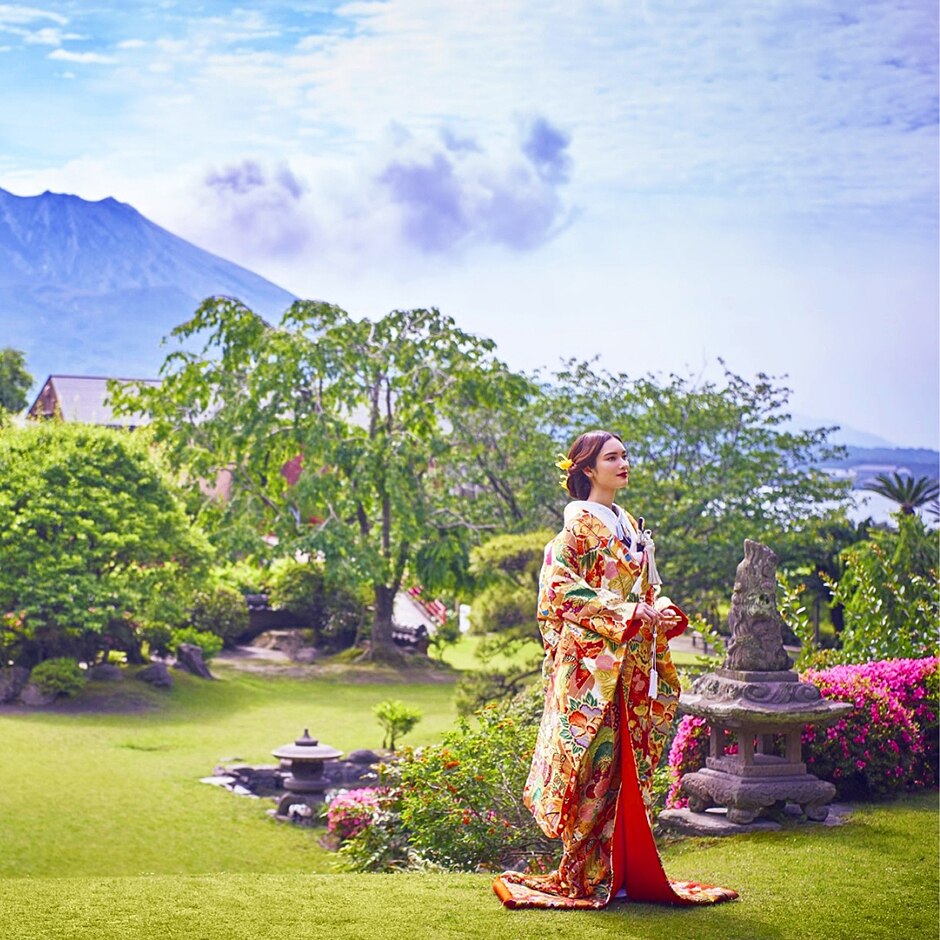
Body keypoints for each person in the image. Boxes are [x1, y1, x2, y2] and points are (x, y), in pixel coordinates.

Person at [493, 430, 738, 909]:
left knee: (626, 767)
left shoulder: (627, 524)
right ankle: (587, 874)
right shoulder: (575, 530)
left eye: (625, 454)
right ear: (588, 470)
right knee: (594, 766)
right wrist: (624, 613)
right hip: (593, 670)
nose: (623, 463)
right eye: (612, 457)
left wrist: (660, 610)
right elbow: (558, 592)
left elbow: (645, 591)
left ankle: (622, 869)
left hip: (629, 667)